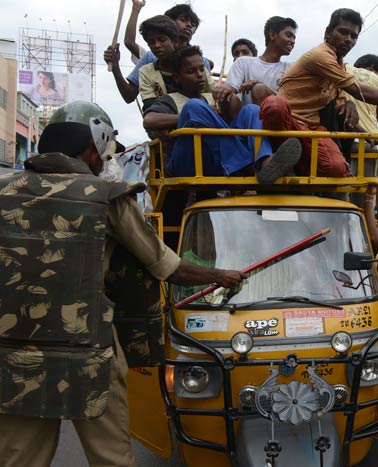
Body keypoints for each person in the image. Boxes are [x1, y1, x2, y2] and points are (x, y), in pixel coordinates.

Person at [0, 101, 247, 467]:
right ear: (92, 146)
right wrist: (219, 275)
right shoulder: (108, 197)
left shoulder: (4, 190)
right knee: (111, 458)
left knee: (18, 459)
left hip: (13, 354)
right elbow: (168, 266)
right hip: (88, 355)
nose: (102, 161)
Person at [259, 8, 378, 178]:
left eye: (353, 36)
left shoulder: (339, 66)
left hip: (311, 128)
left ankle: (292, 165)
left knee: (338, 168)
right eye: (343, 32)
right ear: (328, 33)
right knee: (276, 105)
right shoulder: (321, 55)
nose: (348, 39)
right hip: (287, 121)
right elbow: (357, 89)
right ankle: (283, 163)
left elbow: (341, 105)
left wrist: (364, 134)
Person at [143, 45, 301, 182]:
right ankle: (245, 164)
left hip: (215, 162)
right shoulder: (169, 100)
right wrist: (197, 116)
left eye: (201, 69)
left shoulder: (211, 97)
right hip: (186, 161)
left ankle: (265, 161)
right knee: (193, 107)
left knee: (251, 110)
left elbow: (234, 122)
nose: (199, 75)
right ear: (177, 78)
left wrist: (227, 102)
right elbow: (149, 121)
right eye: (191, 71)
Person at [104, 3, 210, 104]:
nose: (188, 25)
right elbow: (129, 96)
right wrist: (115, 67)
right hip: (159, 120)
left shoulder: (201, 63)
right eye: (183, 20)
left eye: (193, 24)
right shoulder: (149, 63)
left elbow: (210, 99)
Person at [137, 15, 216, 111]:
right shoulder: (146, 71)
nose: (157, 45)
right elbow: (150, 109)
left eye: (162, 40)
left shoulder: (195, 65)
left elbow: (215, 95)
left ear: (174, 41)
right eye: (151, 42)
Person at [218, 17, 297, 106]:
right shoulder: (243, 62)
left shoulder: (291, 69)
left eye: (294, 38)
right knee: (230, 98)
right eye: (288, 35)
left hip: (278, 118)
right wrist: (223, 90)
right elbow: (230, 88)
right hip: (245, 116)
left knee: (259, 89)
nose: (293, 41)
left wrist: (259, 86)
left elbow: (291, 102)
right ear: (272, 35)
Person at [346, 53, 378, 136]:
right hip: (369, 139)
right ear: (373, 68)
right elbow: (377, 114)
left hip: (338, 138)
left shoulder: (342, 70)